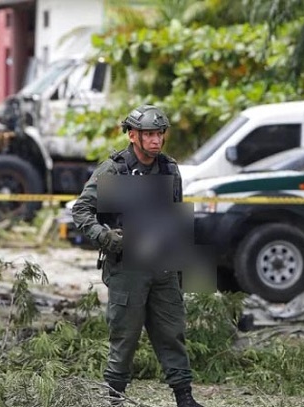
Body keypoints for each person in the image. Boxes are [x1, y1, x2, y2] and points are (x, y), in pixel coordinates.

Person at [71, 105, 204, 407]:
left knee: (172, 332)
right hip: (128, 268)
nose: (156, 140)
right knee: (125, 336)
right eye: (149, 134)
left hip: (163, 266)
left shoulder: (169, 169)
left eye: (160, 134)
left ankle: (184, 397)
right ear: (133, 136)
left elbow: (176, 216)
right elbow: (81, 210)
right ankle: (115, 398)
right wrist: (103, 235)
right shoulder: (115, 170)